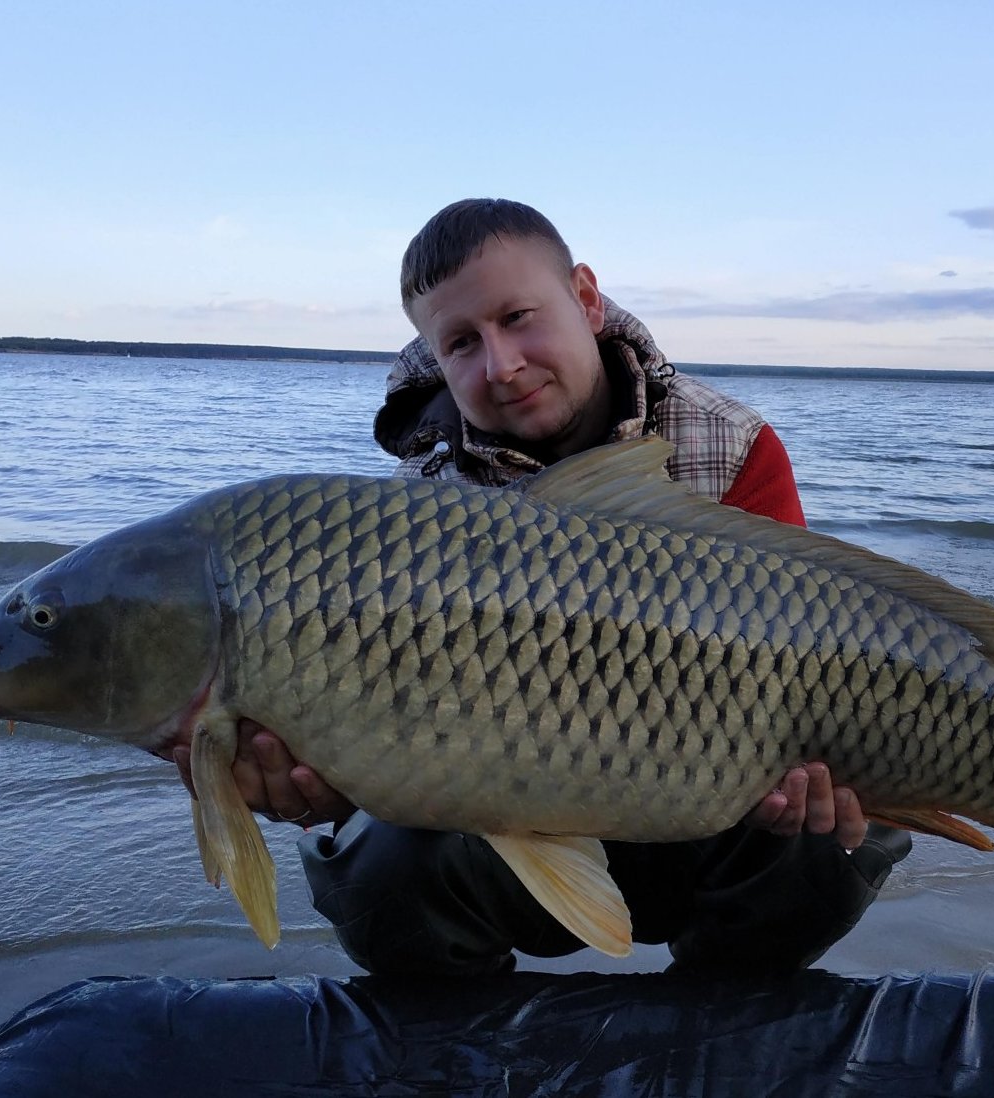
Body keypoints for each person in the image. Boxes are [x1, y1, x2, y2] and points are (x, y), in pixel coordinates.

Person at [173, 198, 911, 976]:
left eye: (519, 317)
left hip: (712, 809)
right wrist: (323, 781)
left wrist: (816, 786)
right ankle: (472, 1049)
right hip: (511, 813)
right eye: (461, 343)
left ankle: (715, 1024)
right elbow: (400, 737)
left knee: (829, 839)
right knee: (378, 868)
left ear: (587, 299)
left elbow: (814, 645)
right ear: (431, 355)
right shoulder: (421, 501)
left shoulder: (730, 447)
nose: (502, 364)